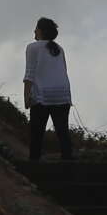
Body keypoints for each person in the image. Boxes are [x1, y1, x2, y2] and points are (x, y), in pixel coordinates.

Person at [24, 17, 75, 163]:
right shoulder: (59, 49)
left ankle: (34, 164)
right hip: (62, 94)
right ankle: (68, 163)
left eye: (36, 28)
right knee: (62, 131)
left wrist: (26, 97)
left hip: (43, 95)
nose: (34, 31)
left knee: (37, 132)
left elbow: (29, 74)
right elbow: (64, 70)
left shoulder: (32, 47)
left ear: (40, 31)